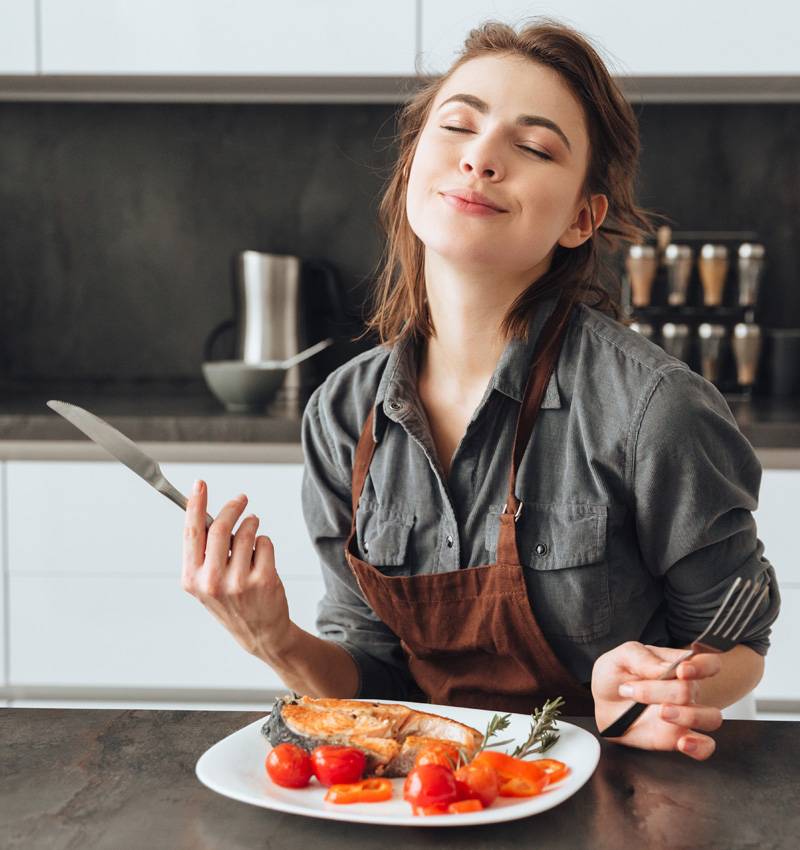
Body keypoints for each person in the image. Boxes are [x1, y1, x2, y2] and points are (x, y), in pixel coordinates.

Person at [181, 19, 780, 761]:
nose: (480, 158)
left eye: (532, 147)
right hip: (426, 799)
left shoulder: (656, 411)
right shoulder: (343, 414)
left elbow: (738, 642)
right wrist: (273, 638)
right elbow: (367, 682)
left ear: (581, 218)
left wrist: (666, 686)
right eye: (458, 125)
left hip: (618, 792)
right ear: (411, 168)